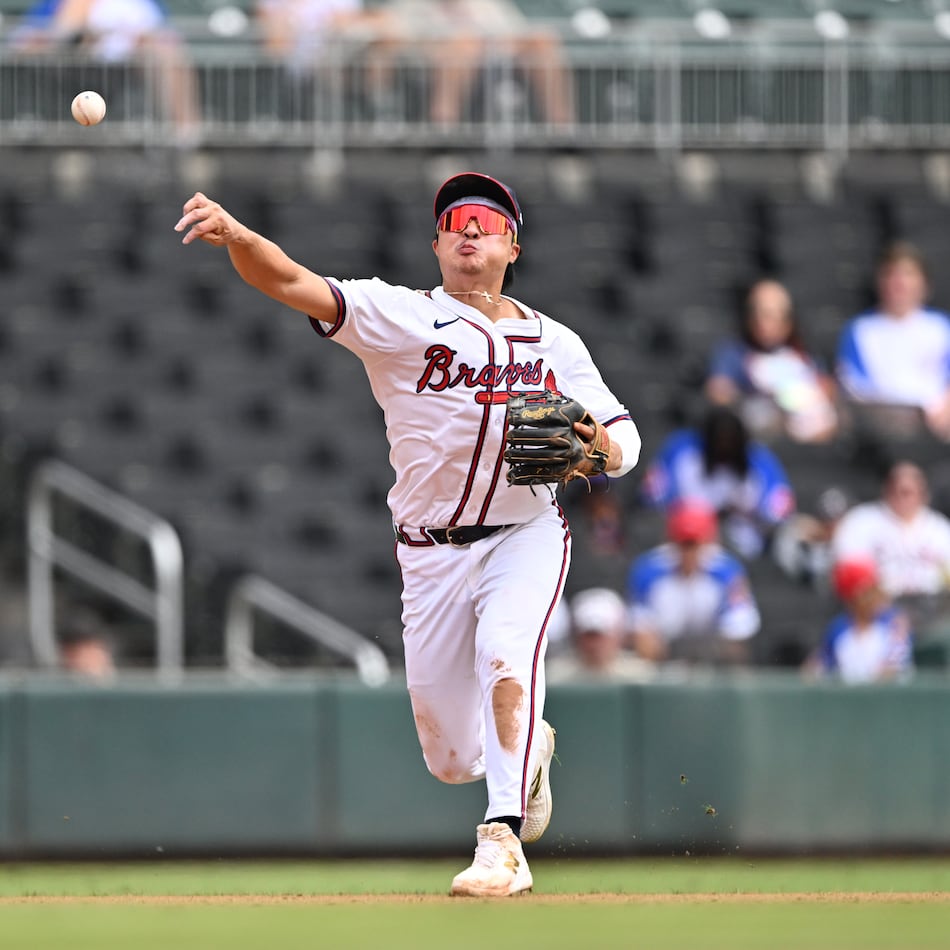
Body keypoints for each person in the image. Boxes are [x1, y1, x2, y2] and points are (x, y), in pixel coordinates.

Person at [175, 171, 641, 897]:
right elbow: (292, 281)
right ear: (435, 244)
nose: (469, 228)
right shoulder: (401, 316)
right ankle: (528, 757)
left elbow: (623, 434)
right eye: (455, 219)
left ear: (512, 245)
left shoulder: (554, 340)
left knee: (507, 663)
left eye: (487, 220)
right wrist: (239, 237)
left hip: (526, 531)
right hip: (430, 551)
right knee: (452, 758)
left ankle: (502, 845)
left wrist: (600, 454)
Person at [13, 0, 201, 140]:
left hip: (125, 74)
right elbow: (23, 43)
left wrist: (137, 41)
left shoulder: (140, 4)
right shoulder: (65, 4)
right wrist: (75, 40)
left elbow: (164, 38)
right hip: (73, 73)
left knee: (168, 54)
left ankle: (185, 134)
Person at [384, 0, 576, 126]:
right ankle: (443, 131)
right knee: (460, 47)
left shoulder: (485, 5)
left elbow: (514, 34)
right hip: (429, 69)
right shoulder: (412, 6)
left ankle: (562, 130)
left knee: (542, 40)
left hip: (491, 63)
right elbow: (397, 38)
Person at [641, 405, 796, 559]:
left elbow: (781, 506)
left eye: (730, 441)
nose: (724, 446)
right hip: (685, 538)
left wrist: (748, 511)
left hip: (741, 540)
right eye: (719, 440)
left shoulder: (759, 460)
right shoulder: (683, 451)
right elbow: (653, 491)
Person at [836, 241, 950, 441]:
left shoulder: (942, 327)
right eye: (891, 274)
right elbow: (855, 388)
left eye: (908, 274)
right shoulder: (860, 330)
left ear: (924, 282)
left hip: (939, 427)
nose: (899, 283)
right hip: (885, 431)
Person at [626, 500, 760, 666]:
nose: (689, 551)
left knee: (735, 649)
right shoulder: (648, 570)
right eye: (684, 543)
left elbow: (741, 623)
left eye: (695, 543)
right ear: (671, 540)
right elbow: (640, 627)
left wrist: (711, 649)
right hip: (663, 651)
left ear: (710, 541)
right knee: (643, 646)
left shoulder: (727, 571)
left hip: (712, 651)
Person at [705, 277, 839, 444]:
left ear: (788, 320)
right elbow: (718, 392)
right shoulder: (732, 352)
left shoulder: (803, 353)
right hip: (756, 436)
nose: (764, 323)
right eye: (758, 313)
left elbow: (826, 388)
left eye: (773, 315)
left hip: (803, 433)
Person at [832, 461, 950, 639]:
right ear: (885, 489)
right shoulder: (861, 521)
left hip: (932, 609)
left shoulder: (940, 529)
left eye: (907, 492)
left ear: (923, 494)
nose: (901, 498)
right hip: (878, 611)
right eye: (895, 490)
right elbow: (848, 575)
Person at [802, 558, 913, 684]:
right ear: (851, 599)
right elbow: (817, 666)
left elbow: (893, 669)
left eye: (875, 589)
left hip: (893, 699)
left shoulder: (895, 622)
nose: (876, 597)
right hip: (849, 700)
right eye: (868, 592)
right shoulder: (838, 629)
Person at [545, 587, 652, 683]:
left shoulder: (641, 675)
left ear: (618, 634)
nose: (594, 644)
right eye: (588, 635)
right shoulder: (556, 676)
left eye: (601, 635)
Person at [772, 484, 854, 592]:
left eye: (837, 520)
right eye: (828, 520)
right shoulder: (798, 535)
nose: (832, 525)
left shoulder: (853, 542)